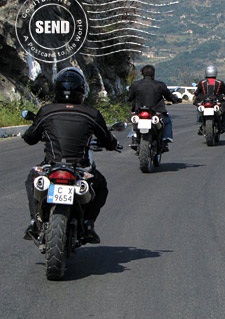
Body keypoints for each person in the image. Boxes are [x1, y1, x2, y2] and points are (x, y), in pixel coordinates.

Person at [22, 66, 121, 244]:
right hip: (79, 168)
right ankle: (89, 224)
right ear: (82, 90)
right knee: (101, 185)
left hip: (51, 165)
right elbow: (107, 139)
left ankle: (34, 222)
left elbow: (30, 138)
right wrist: (114, 144)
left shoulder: (47, 111)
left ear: (57, 89)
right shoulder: (92, 114)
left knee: (32, 178)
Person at [128, 64, 181, 151]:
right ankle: (165, 139)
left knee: (134, 121)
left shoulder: (135, 84)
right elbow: (169, 96)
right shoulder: (160, 85)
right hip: (157, 112)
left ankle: (134, 137)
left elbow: (129, 97)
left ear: (142, 74)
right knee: (167, 121)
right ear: (153, 74)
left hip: (139, 111)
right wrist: (176, 100)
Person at [193, 65, 225, 134]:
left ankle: (200, 122)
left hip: (204, 102)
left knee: (198, 108)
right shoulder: (220, 82)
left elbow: (197, 92)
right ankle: (223, 125)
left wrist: (197, 95)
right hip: (216, 102)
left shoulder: (202, 82)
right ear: (215, 72)